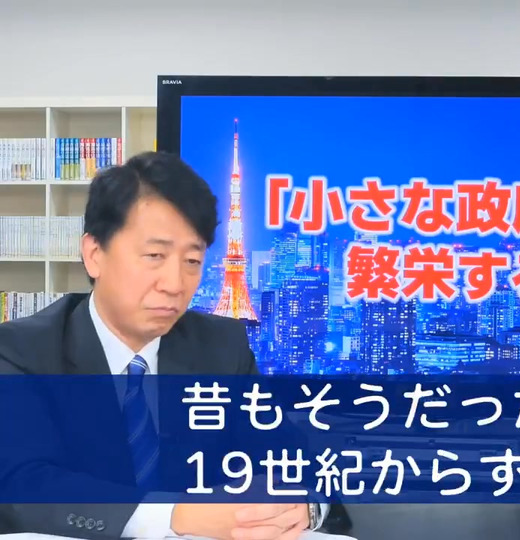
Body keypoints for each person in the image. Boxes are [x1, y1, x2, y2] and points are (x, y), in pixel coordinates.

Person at [0, 152, 330, 540]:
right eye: (154, 256)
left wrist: (303, 505)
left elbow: (293, 460)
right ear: (94, 254)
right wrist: (175, 514)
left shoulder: (222, 346)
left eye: (192, 261)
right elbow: (25, 483)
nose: (175, 283)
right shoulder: (23, 350)